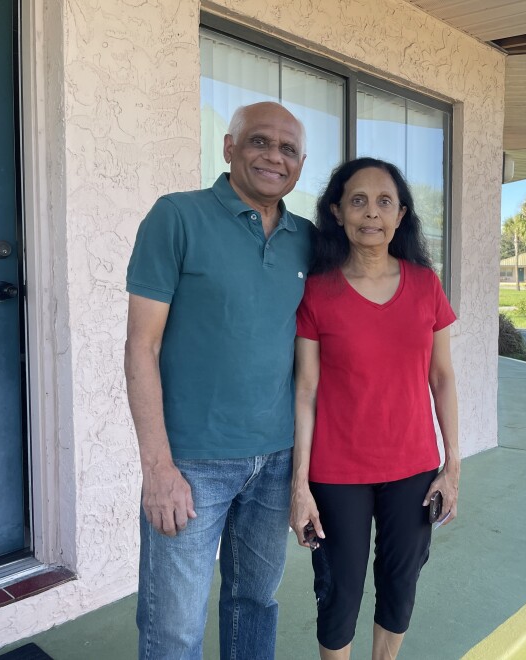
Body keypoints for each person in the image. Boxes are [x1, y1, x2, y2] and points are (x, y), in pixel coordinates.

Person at [124, 101, 313, 660]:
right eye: (259, 141)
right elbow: (141, 345)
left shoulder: (308, 239)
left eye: (288, 149)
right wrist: (157, 468)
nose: (273, 156)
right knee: (174, 627)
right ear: (229, 147)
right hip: (191, 464)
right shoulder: (176, 217)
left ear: (301, 163)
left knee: (255, 606)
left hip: (277, 460)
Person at [289, 157, 460, 659]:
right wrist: (300, 486)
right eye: (357, 201)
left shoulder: (426, 284)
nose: (371, 213)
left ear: (401, 214)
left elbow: (443, 377)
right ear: (337, 212)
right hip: (337, 471)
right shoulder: (317, 292)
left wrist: (452, 469)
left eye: (384, 201)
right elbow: (305, 390)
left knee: (400, 582)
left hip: (413, 466)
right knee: (339, 591)